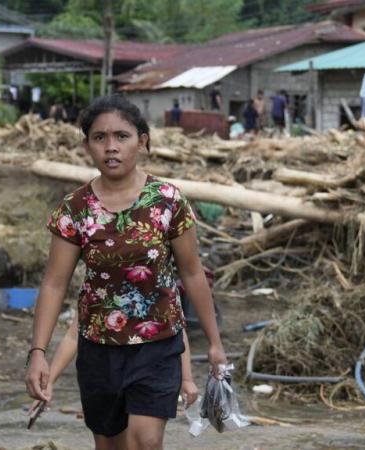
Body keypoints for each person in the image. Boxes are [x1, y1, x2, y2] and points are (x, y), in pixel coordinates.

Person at [25, 94, 226, 450]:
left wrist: (214, 343)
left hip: (158, 344)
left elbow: (193, 274)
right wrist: (38, 353)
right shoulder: (75, 209)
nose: (111, 147)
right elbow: (54, 284)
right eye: (100, 138)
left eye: (122, 136)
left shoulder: (167, 201)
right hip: (98, 348)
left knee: (145, 442)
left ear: (142, 142)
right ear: (87, 145)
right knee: (111, 445)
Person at [30, 313, 199, 414]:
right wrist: (49, 381)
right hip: (107, 369)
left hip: (152, 366)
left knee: (146, 439)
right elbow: (73, 336)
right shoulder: (99, 286)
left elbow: (176, 328)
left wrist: (187, 379)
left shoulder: (158, 280)